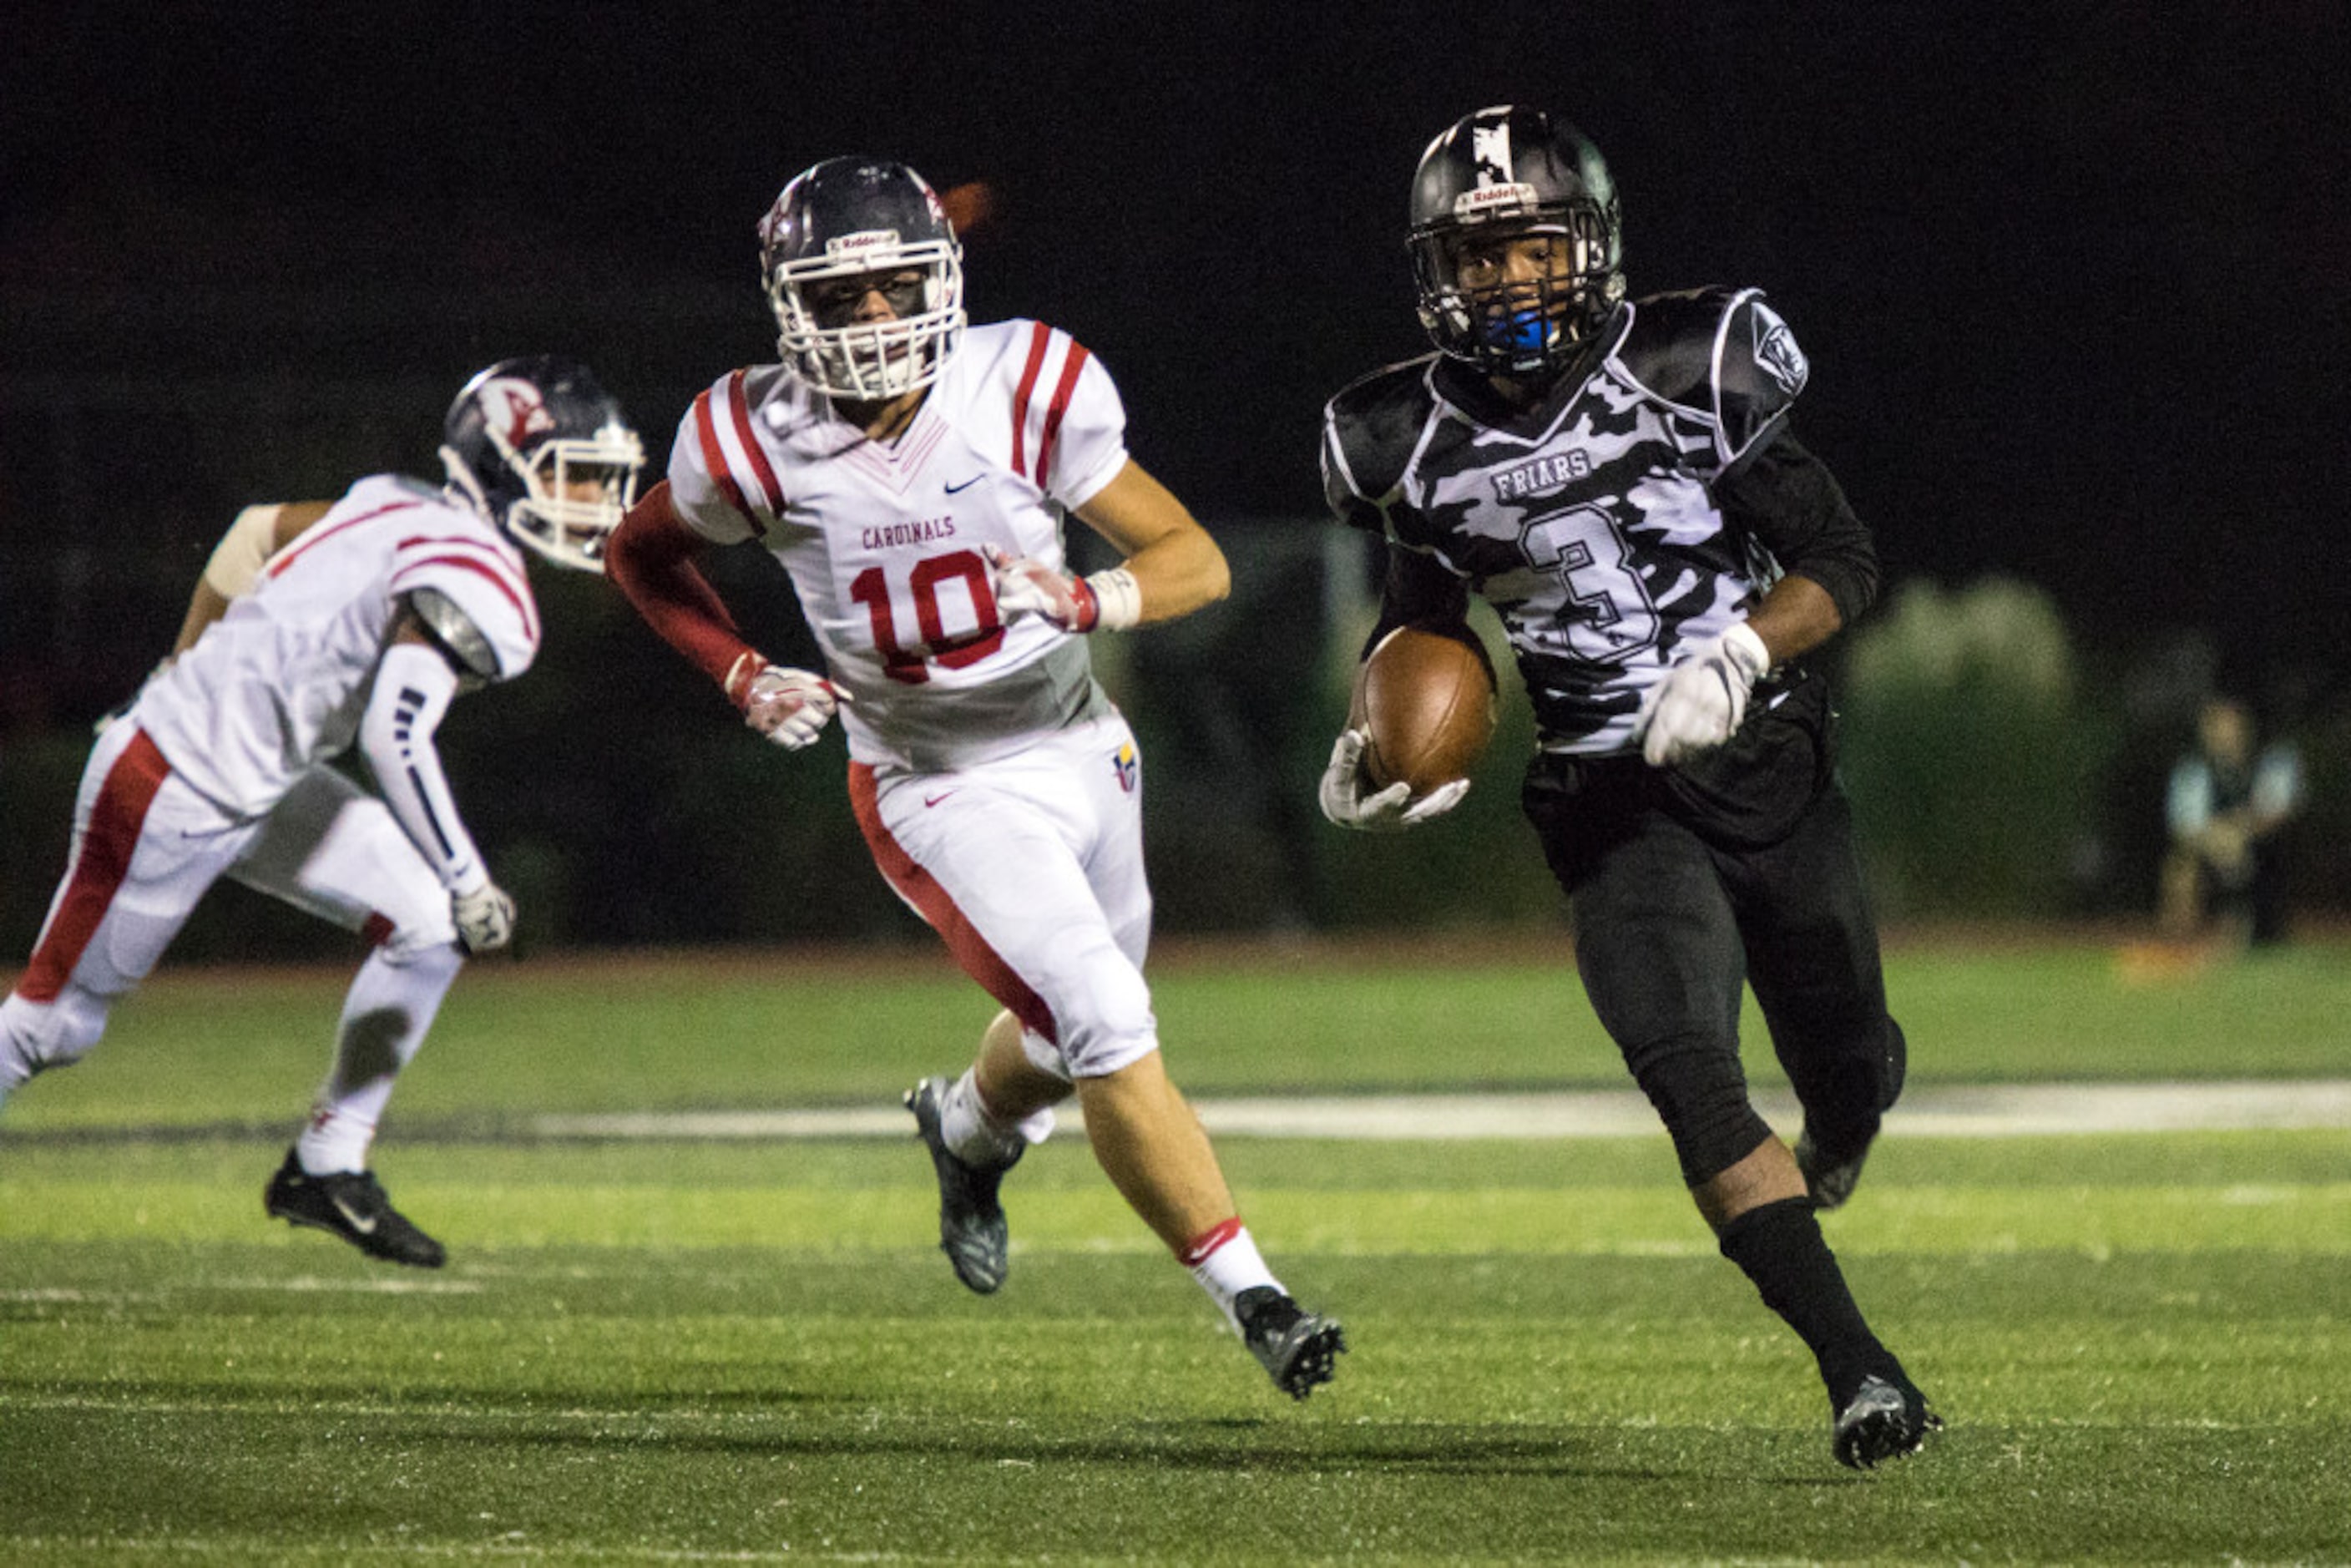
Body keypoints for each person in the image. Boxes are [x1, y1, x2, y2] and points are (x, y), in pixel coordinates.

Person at [604, 157, 1345, 1399]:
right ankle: (1256, 1298)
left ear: (939, 280)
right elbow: (640, 554)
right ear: (792, 308)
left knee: (1068, 1037)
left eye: (897, 289)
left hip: (1081, 743)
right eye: (843, 300)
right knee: (1108, 1018)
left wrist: (1088, 591)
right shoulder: (746, 438)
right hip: (932, 777)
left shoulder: (1023, 384)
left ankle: (965, 1129)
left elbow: (1193, 558)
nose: (877, 321)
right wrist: (739, 672)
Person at [1316, 105, 1936, 1467]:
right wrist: (1376, 733)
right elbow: (1422, 613)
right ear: (1438, 273)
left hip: (1764, 757)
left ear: (1587, 249)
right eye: (1478, 260)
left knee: (1847, 1059)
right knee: (1688, 1074)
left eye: (1532, 250)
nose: (1508, 282)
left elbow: (1841, 553)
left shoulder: (1682, 362)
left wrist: (1741, 646)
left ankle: (1844, 1117)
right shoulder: (1401, 438)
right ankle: (1862, 1370)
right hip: (1605, 799)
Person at [0, 357, 645, 1268]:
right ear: (500, 464)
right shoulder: (486, 586)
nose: (592, 500)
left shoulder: (394, 499)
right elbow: (395, 736)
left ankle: (326, 1162)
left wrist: (185, 661)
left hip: (260, 779)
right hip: (169, 781)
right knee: (50, 1027)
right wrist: (469, 877)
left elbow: (252, 531)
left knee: (425, 930)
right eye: (572, 474)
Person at [2160, 695, 2303, 944]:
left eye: (2231, 727)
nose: (2225, 736)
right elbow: (2184, 826)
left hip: (2265, 849)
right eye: (2217, 728)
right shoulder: (2193, 770)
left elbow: (2278, 811)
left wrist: (2239, 830)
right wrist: (2217, 837)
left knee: (2237, 853)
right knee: (2182, 866)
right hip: (2212, 848)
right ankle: (2181, 940)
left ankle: (2238, 929)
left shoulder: (2272, 759)